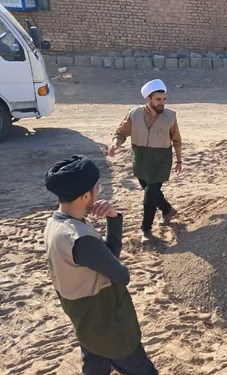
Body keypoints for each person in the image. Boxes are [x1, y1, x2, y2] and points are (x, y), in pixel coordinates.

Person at [43, 155, 158, 374]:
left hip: (87, 325)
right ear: (86, 195)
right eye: (97, 188)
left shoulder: (56, 224)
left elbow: (103, 256)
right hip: (109, 328)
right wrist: (112, 222)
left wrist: (113, 218)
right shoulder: (79, 237)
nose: (99, 192)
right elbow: (121, 274)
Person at [109, 79, 183, 244]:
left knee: (150, 194)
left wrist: (179, 161)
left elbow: (177, 140)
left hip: (161, 161)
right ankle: (167, 210)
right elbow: (121, 133)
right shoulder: (134, 114)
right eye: (158, 99)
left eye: (164, 99)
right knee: (152, 192)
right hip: (141, 160)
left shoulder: (170, 116)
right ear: (148, 99)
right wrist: (115, 144)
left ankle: (146, 230)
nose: (162, 103)